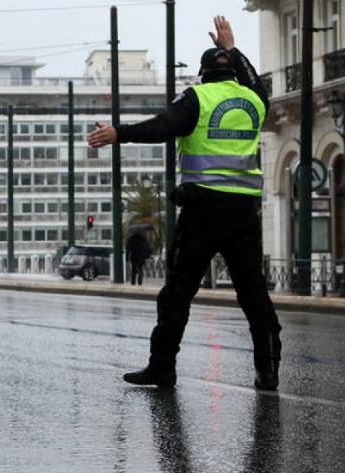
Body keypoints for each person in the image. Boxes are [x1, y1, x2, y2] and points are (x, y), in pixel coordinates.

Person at [88, 16, 281, 390]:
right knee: (253, 293)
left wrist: (118, 133)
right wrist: (232, 48)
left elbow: (162, 126)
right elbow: (256, 81)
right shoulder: (255, 101)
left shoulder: (198, 98)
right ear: (232, 73)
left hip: (202, 211)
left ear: (203, 74)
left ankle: (162, 368)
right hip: (244, 211)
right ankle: (268, 369)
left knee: (178, 293)